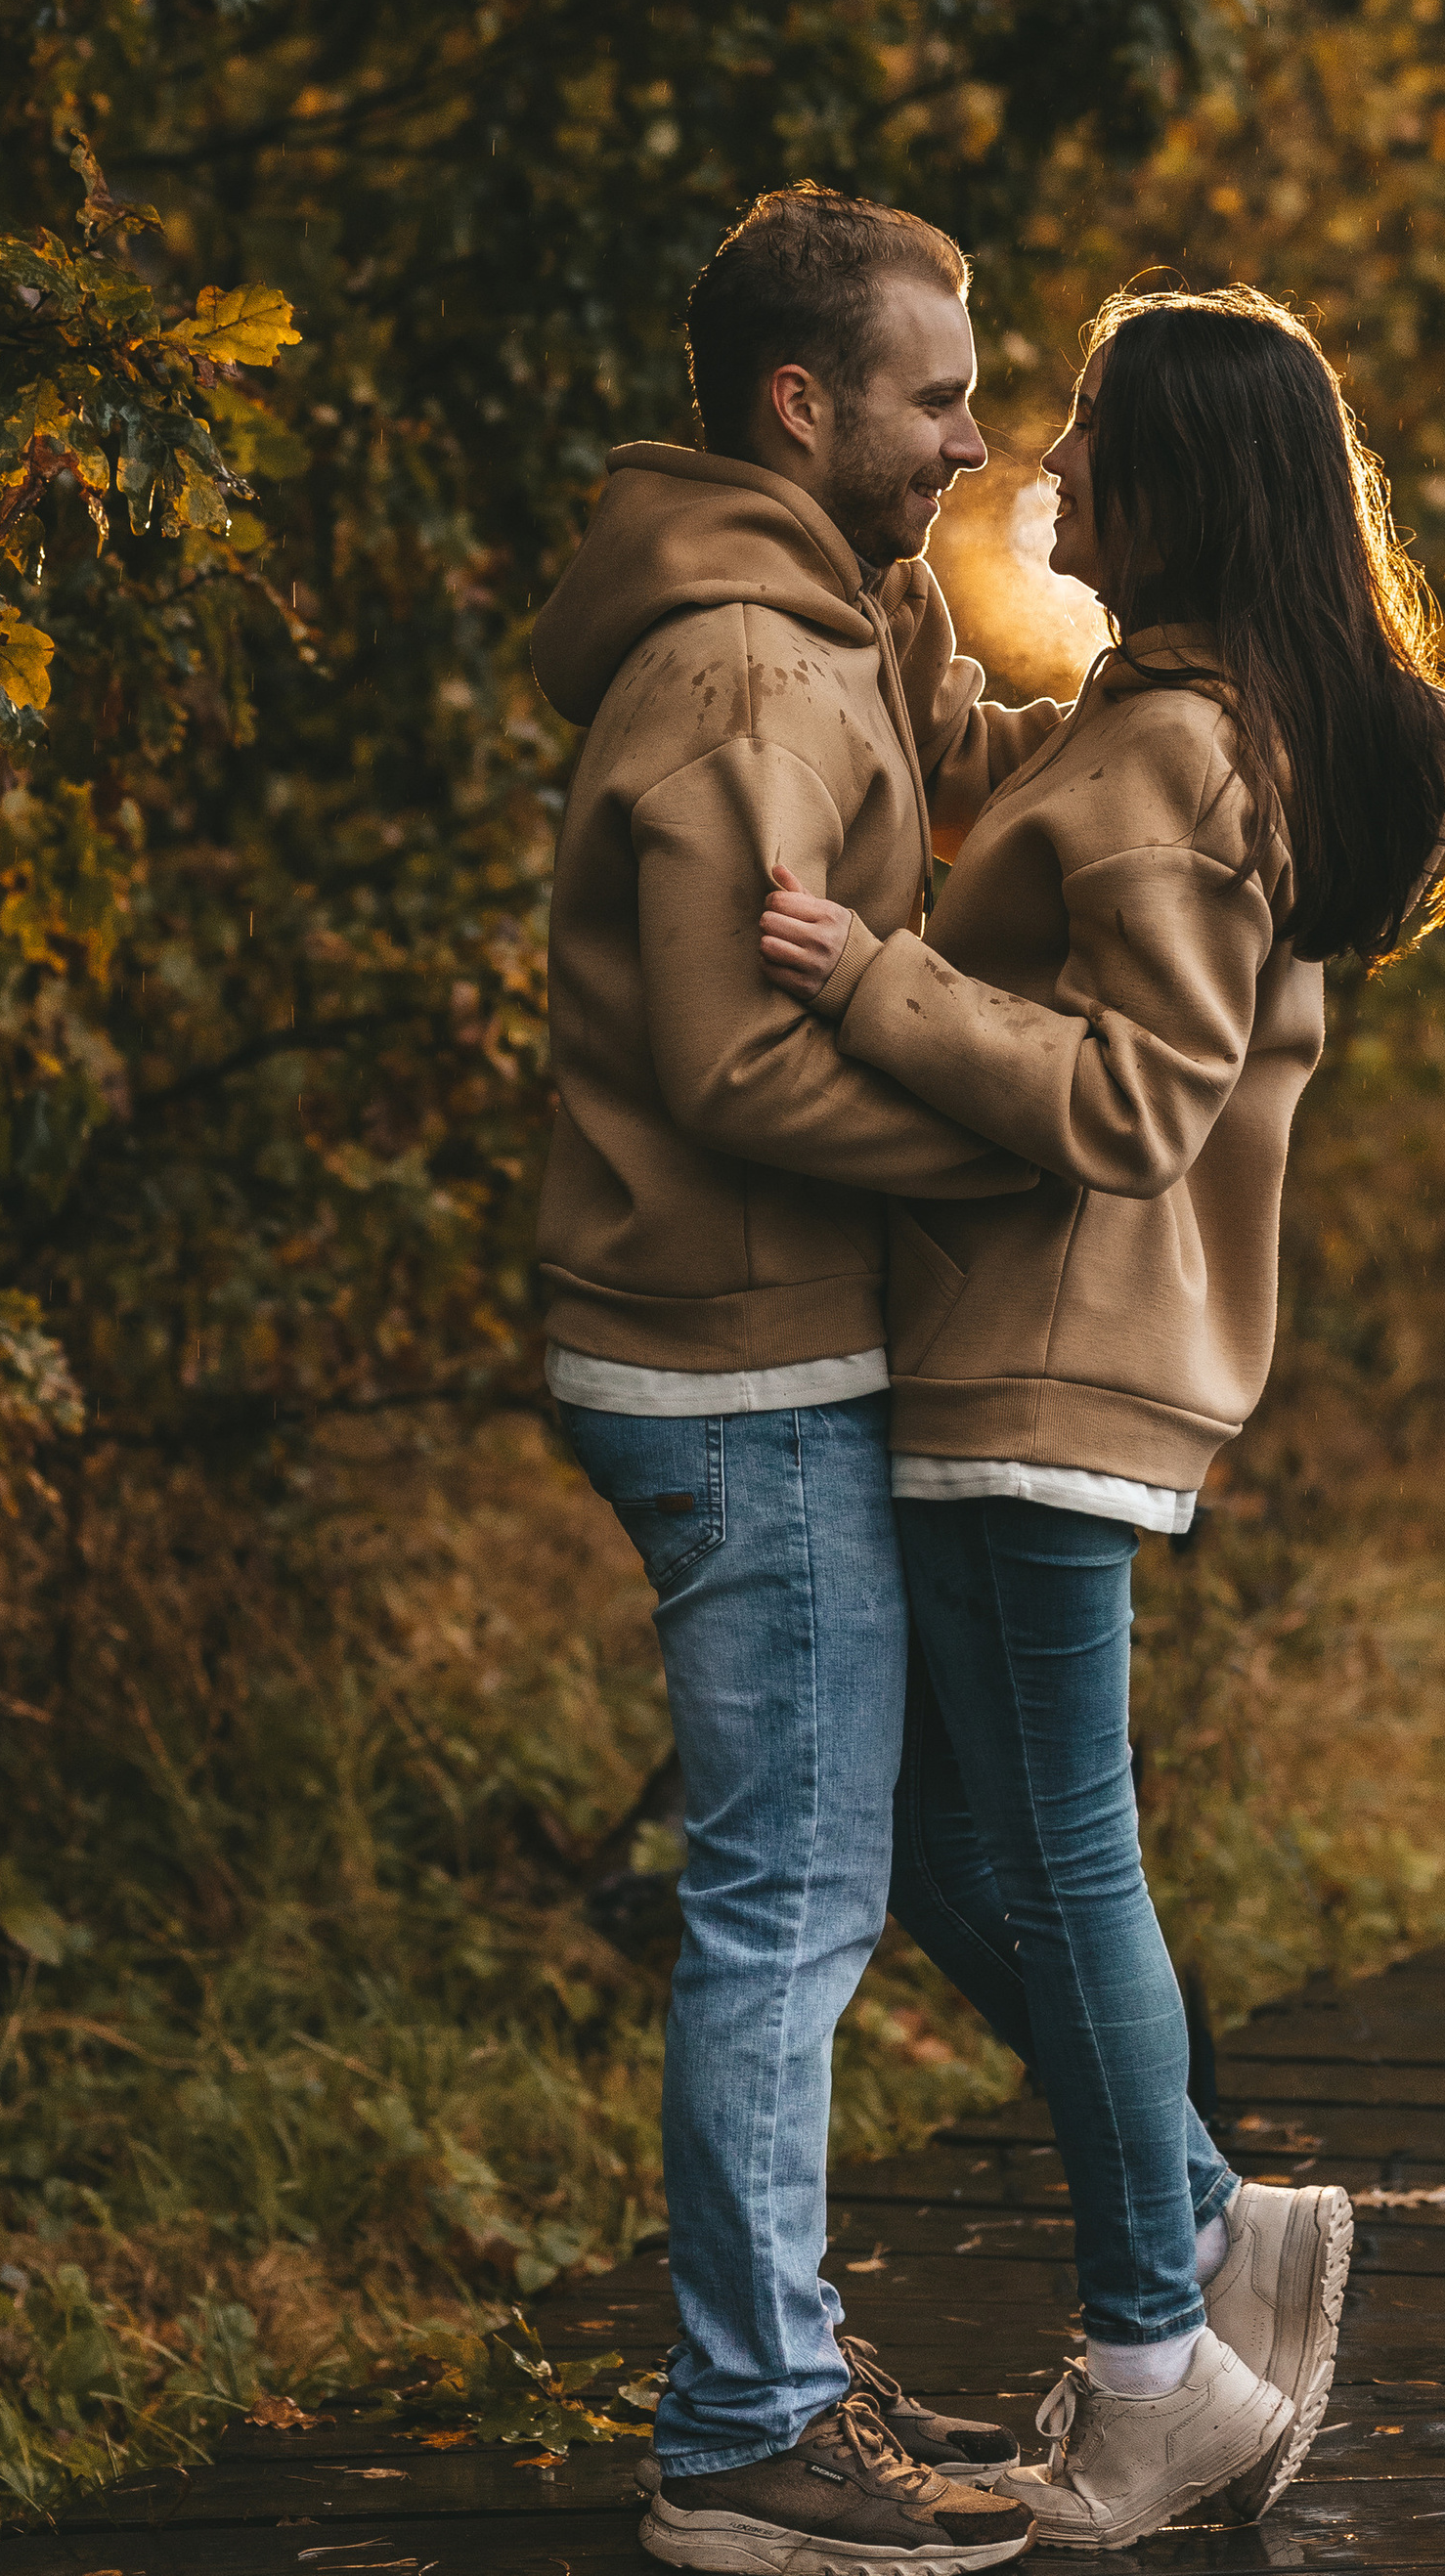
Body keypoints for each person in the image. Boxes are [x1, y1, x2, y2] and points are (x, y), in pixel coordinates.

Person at [761, 281, 1445, 2554]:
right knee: (933, 1842)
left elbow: (1136, 1094)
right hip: (1031, 1352)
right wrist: (881, 602)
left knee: (1048, 1848)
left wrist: (875, 979)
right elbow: (992, 789)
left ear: (1179, 482)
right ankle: (1197, 2222)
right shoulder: (1158, 720)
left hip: (1040, 1350)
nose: (1039, 471)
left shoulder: (1186, 756)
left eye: (1083, 438)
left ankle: (1149, 2347)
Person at [533, 184, 1067, 2576]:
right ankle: (746, 2427)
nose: (968, 436)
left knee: (808, 1889)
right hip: (739, 1363)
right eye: (936, 395)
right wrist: (1009, 1145)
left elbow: (991, 771)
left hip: (757, 1340)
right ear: (798, 404)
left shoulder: (824, 616)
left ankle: (775, 2359)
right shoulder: (749, 672)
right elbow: (733, 1063)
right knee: (786, 1908)